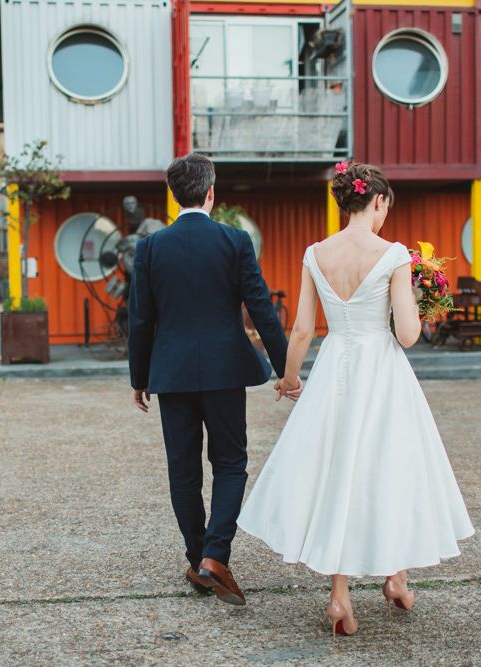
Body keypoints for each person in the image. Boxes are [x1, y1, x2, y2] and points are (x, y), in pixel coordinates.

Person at [237, 162, 474, 636]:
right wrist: (422, 307)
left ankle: (343, 596)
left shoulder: (315, 253)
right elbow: (406, 336)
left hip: (334, 369)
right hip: (382, 374)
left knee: (338, 472)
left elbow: (303, 330)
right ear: (379, 201)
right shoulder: (394, 255)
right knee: (390, 470)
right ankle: (394, 577)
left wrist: (288, 379)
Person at [127, 153, 296, 606]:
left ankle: (197, 554)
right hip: (225, 371)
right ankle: (214, 556)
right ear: (211, 192)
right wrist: (287, 371)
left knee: (182, 470)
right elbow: (262, 308)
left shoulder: (150, 247)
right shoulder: (235, 240)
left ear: (174, 194)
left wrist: (138, 378)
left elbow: (140, 320)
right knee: (230, 463)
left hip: (172, 373)